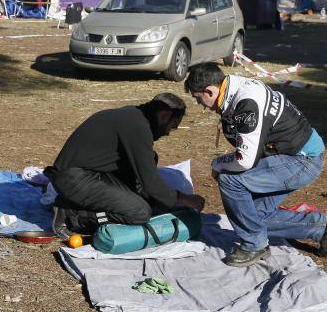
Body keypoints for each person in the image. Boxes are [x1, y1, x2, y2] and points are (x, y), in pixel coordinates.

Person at [184, 62, 327, 267]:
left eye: (198, 99)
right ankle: (321, 226)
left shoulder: (246, 102)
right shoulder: (235, 90)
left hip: (302, 160)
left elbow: (245, 160)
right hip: (294, 155)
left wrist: (218, 164)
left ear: (210, 91)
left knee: (230, 180)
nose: (200, 105)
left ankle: (254, 245)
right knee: (250, 218)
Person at [45, 93, 206, 239]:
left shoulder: (134, 116)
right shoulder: (137, 126)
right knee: (140, 213)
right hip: (74, 179)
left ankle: (77, 205)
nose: (168, 132)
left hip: (88, 173)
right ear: (165, 115)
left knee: (151, 161)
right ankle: (72, 215)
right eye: (173, 126)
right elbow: (150, 183)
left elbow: (143, 170)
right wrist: (184, 199)